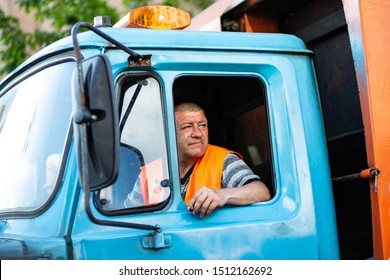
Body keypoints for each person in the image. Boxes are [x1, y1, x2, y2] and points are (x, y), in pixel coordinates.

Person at [125, 102, 271, 217]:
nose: (198, 133)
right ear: (169, 134)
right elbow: (127, 214)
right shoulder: (150, 173)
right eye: (187, 126)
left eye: (202, 125)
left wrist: (222, 195)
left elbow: (261, 192)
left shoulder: (223, 159)